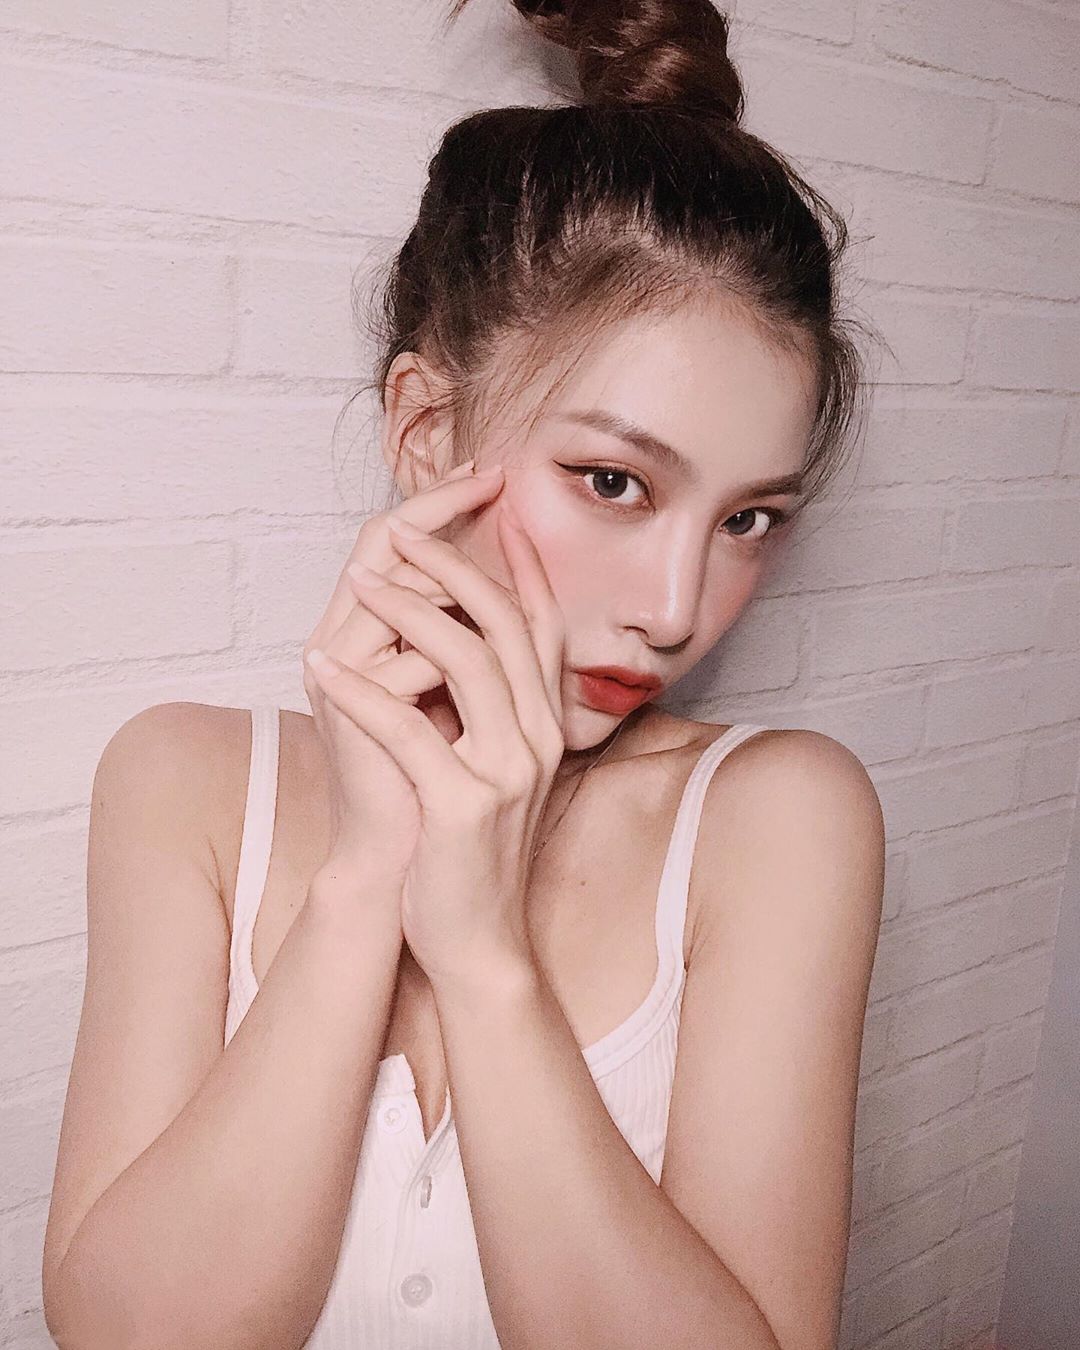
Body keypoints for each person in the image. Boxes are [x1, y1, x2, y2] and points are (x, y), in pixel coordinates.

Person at [41, 2, 886, 1348]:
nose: (676, 612)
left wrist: (486, 957)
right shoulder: (185, 786)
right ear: (427, 428)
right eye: (614, 482)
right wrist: (365, 878)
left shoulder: (778, 821)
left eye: (749, 518)